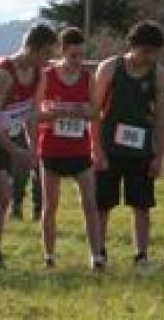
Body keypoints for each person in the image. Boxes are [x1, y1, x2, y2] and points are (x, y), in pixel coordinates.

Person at [0, 23, 57, 268]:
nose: (49, 60)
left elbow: (31, 113)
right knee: (2, 196)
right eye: (47, 54)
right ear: (33, 48)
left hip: (8, 132)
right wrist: (12, 149)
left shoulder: (38, 74)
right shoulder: (5, 73)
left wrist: (32, 148)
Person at [91, 21, 164, 267]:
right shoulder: (109, 69)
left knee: (142, 206)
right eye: (145, 51)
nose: (149, 57)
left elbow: (160, 118)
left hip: (141, 150)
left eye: (154, 52)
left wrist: (158, 156)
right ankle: (99, 253)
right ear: (132, 46)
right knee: (103, 204)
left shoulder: (158, 73)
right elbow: (94, 112)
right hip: (109, 148)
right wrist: (96, 149)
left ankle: (141, 255)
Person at [35, 27, 102, 269]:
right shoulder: (47, 76)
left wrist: (82, 111)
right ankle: (49, 256)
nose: (78, 61)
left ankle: (96, 256)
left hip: (80, 150)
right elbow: (36, 114)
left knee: (90, 204)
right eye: (73, 55)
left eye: (82, 56)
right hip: (52, 149)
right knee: (50, 206)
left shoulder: (88, 78)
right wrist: (54, 113)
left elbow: (96, 112)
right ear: (62, 52)